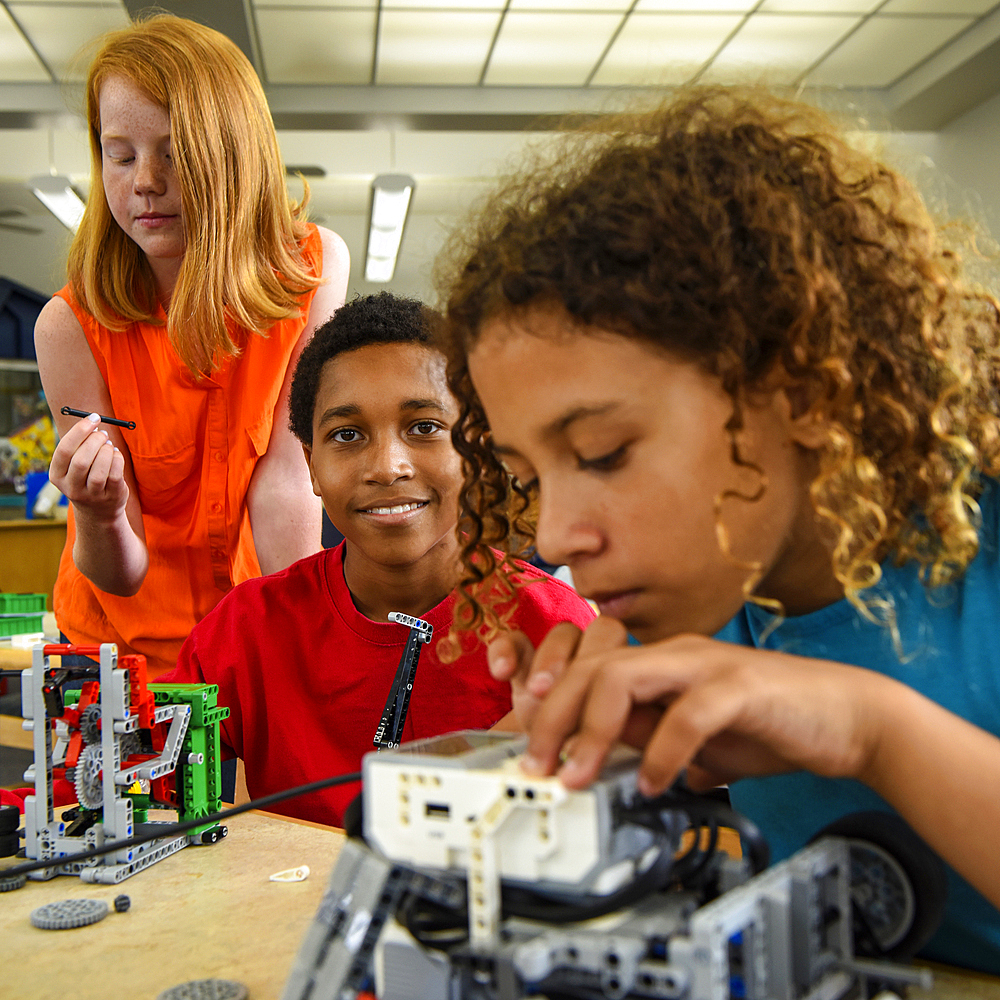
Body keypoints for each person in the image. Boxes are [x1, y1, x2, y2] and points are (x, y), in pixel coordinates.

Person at [435, 86, 1000, 974]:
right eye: (525, 478)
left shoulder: (985, 542)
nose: (552, 536)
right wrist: (555, 771)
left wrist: (870, 732)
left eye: (605, 452)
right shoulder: (704, 597)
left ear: (805, 390)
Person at [158, 292, 596, 827]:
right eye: (347, 435)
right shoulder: (247, 629)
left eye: (424, 427)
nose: (388, 467)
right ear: (311, 465)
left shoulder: (554, 628)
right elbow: (140, 782)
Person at [33, 14, 349, 678]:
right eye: (120, 155)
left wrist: (301, 649)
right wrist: (98, 508)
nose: (144, 180)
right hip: (118, 656)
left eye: (173, 153)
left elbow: (287, 482)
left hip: (249, 632)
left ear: (232, 155)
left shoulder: (309, 271)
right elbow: (121, 571)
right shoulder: (70, 328)